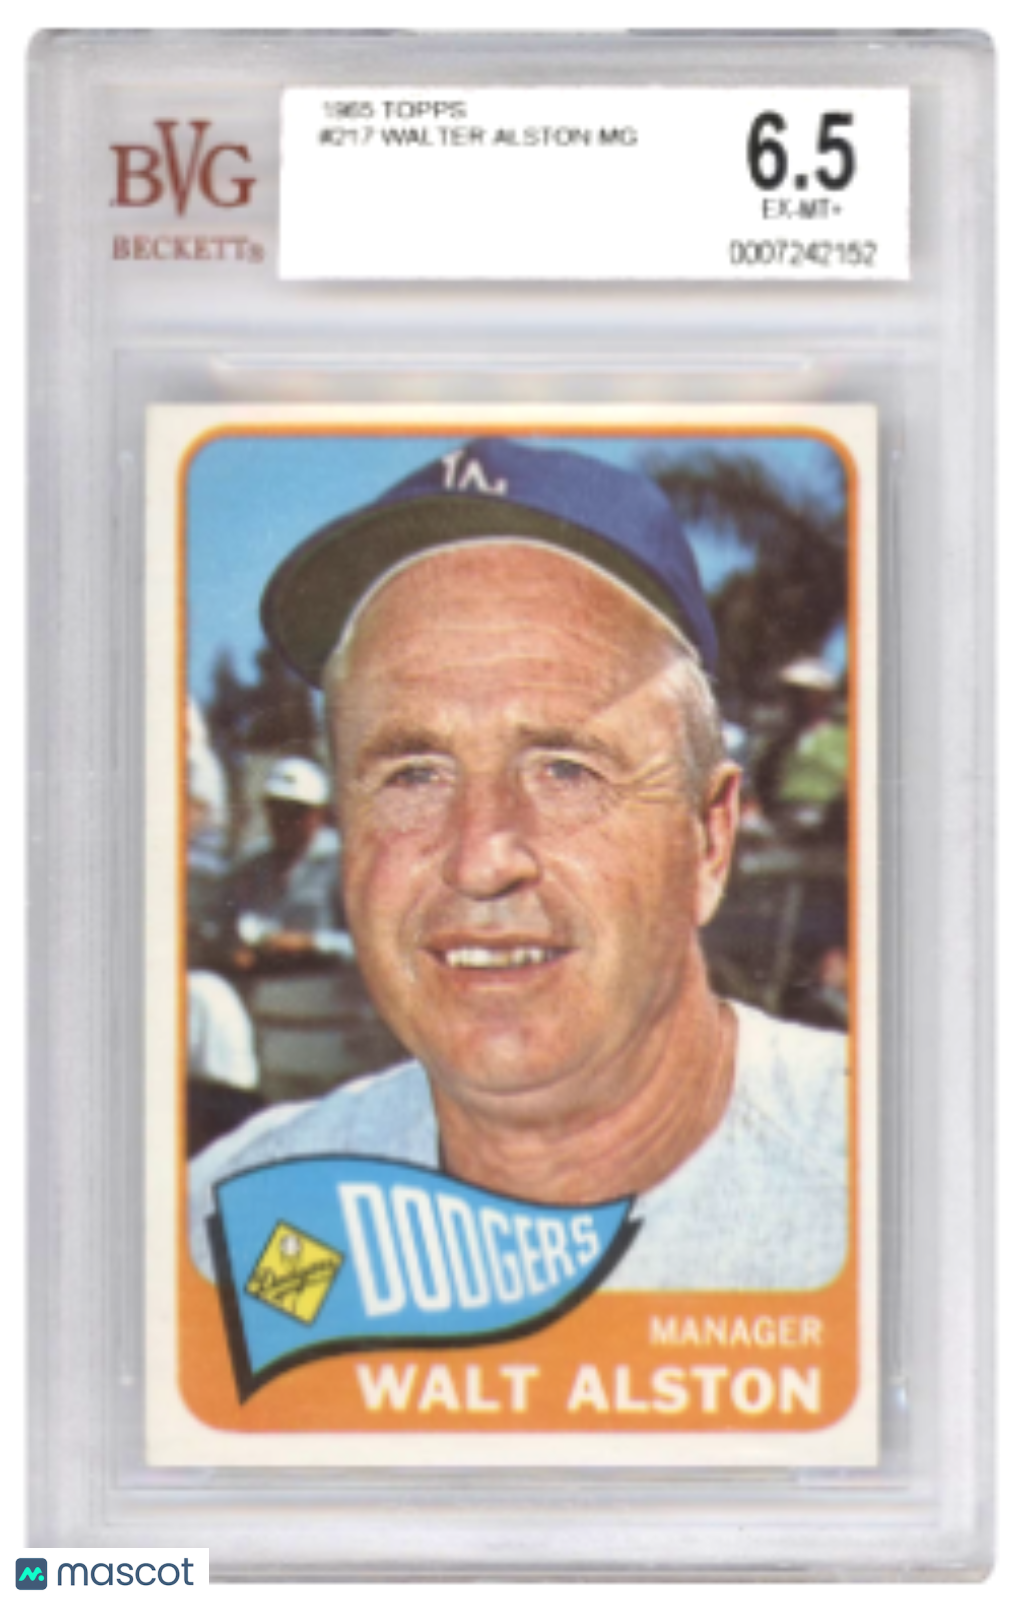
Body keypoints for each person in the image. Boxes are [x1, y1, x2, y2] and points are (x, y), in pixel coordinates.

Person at [191, 438, 847, 1291]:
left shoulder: (909, 1185)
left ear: (707, 841)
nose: (481, 857)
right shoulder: (228, 1229)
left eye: (566, 771)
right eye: (412, 775)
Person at [220, 757, 353, 969]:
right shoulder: (252, 864)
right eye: (277, 810)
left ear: (319, 814)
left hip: (329, 978)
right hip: (266, 977)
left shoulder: (343, 862)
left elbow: (367, 946)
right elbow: (234, 924)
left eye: (295, 812)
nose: (284, 820)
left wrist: (311, 943)